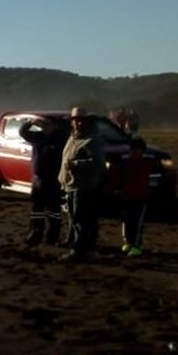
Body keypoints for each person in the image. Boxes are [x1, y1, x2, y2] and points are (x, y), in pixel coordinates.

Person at [58, 107, 106, 262]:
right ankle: (75, 242)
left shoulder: (92, 140)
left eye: (81, 120)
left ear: (86, 122)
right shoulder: (72, 138)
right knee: (73, 216)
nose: (78, 123)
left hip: (83, 186)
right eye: (75, 120)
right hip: (70, 184)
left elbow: (98, 163)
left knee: (80, 219)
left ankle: (78, 251)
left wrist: (76, 164)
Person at [19, 115, 69, 247]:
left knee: (54, 210)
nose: (45, 127)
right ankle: (35, 234)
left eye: (48, 124)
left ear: (55, 125)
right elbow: (23, 133)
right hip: (38, 179)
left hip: (54, 179)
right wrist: (31, 123)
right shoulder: (38, 136)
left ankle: (52, 237)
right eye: (44, 124)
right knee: (37, 209)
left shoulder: (61, 138)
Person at [111, 136, 150, 257]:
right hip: (127, 197)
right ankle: (128, 242)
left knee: (137, 223)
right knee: (126, 222)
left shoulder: (144, 164)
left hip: (140, 198)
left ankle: (136, 245)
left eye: (137, 151)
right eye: (133, 150)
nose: (135, 153)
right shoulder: (126, 163)